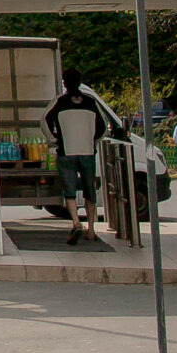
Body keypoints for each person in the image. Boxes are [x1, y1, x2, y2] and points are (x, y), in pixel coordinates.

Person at [43, 69, 114, 245]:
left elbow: (44, 121)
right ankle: (91, 229)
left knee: (70, 189)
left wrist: (54, 140)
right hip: (88, 152)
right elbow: (103, 127)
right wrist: (93, 141)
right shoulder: (90, 102)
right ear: (80, 81)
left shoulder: (59, 101)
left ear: (64, 83)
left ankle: (76, 222)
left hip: (66, 152)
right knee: (90, 189)